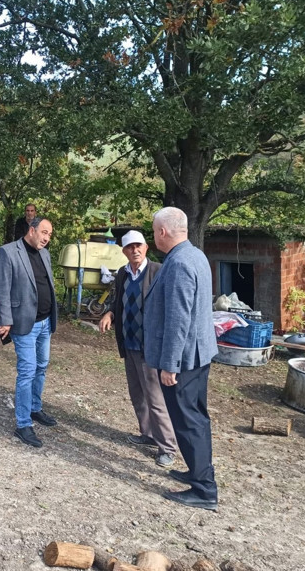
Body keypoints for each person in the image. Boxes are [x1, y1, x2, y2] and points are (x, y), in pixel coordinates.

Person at [144, 207, 219, 511]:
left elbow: (178, 319)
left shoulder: (177, 264)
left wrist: (169, 364)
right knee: (195, 418)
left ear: (163, 232)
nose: (154, 236)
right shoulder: (195, 255)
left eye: (154, 231)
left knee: (189, 422)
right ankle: (198, 472)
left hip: (184, 360)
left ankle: (204, 490)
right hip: (199, 354)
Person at [98, 230, 179, 468]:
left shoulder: (157, 271)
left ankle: (168, 447)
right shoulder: (123, 274)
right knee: (137, 393)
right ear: (123, 251)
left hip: (150, 347)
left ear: (146, 248)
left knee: (155, 397)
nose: (135, 250)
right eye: (130, 247)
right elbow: (117, 301)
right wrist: (110, 313)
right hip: (129, 342)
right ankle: (147, 434)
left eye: (139, 246)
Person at [0, 216, 57, 448]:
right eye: (44, 232)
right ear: (32, 230)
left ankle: (34, 408)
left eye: (50, 234)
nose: (47, 238)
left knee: (42, 366)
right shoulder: (8, 252)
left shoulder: (45, 254)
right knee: (28, 371)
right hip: (23, 324)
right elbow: (1, 289)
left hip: (45, 323)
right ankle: (22, 424)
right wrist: (6, 320)